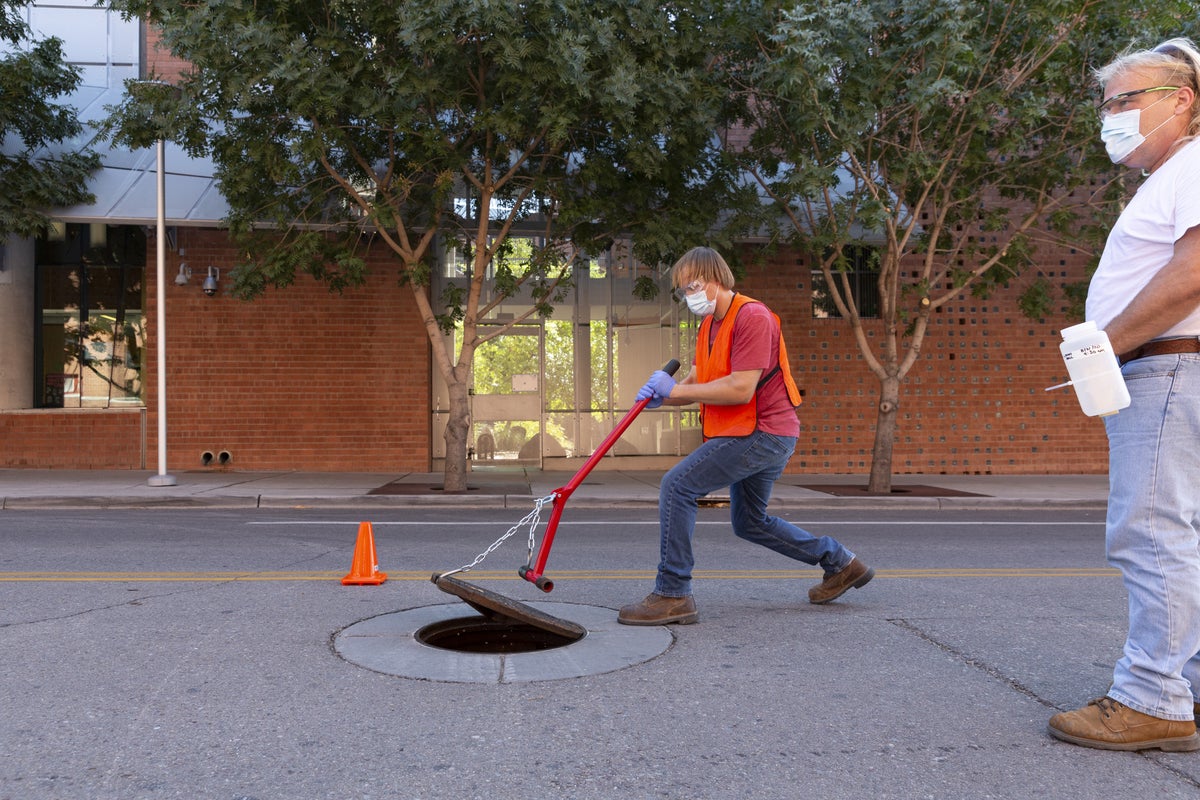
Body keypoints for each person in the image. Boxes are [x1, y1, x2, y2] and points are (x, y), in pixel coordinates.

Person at [1047, 38, 1200, 752]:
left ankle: (1152, 699)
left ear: (1182, 100)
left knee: (1150, 532)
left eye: (1124, 100)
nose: (1110, 116)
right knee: (1179, 537)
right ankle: (1183, 688)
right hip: (1168, 369)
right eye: (1105, 104)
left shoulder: (1193, 165)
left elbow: (1194, 273)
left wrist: (1106, 344)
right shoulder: (1171, 175)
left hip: (1167, 370)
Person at [617, 246, 873, 626]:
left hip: (763, 432)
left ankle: (673, 594)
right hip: (749, 433)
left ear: (717, 280)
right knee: (749, 521)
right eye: (683, 289)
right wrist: (664, 395)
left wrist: (674, 392)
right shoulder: (709, 326)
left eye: (695, 285)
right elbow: (697, 382)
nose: (689, 295)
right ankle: (840, 563)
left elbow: (740, 389)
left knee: (677, 486)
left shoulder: (752, 316)